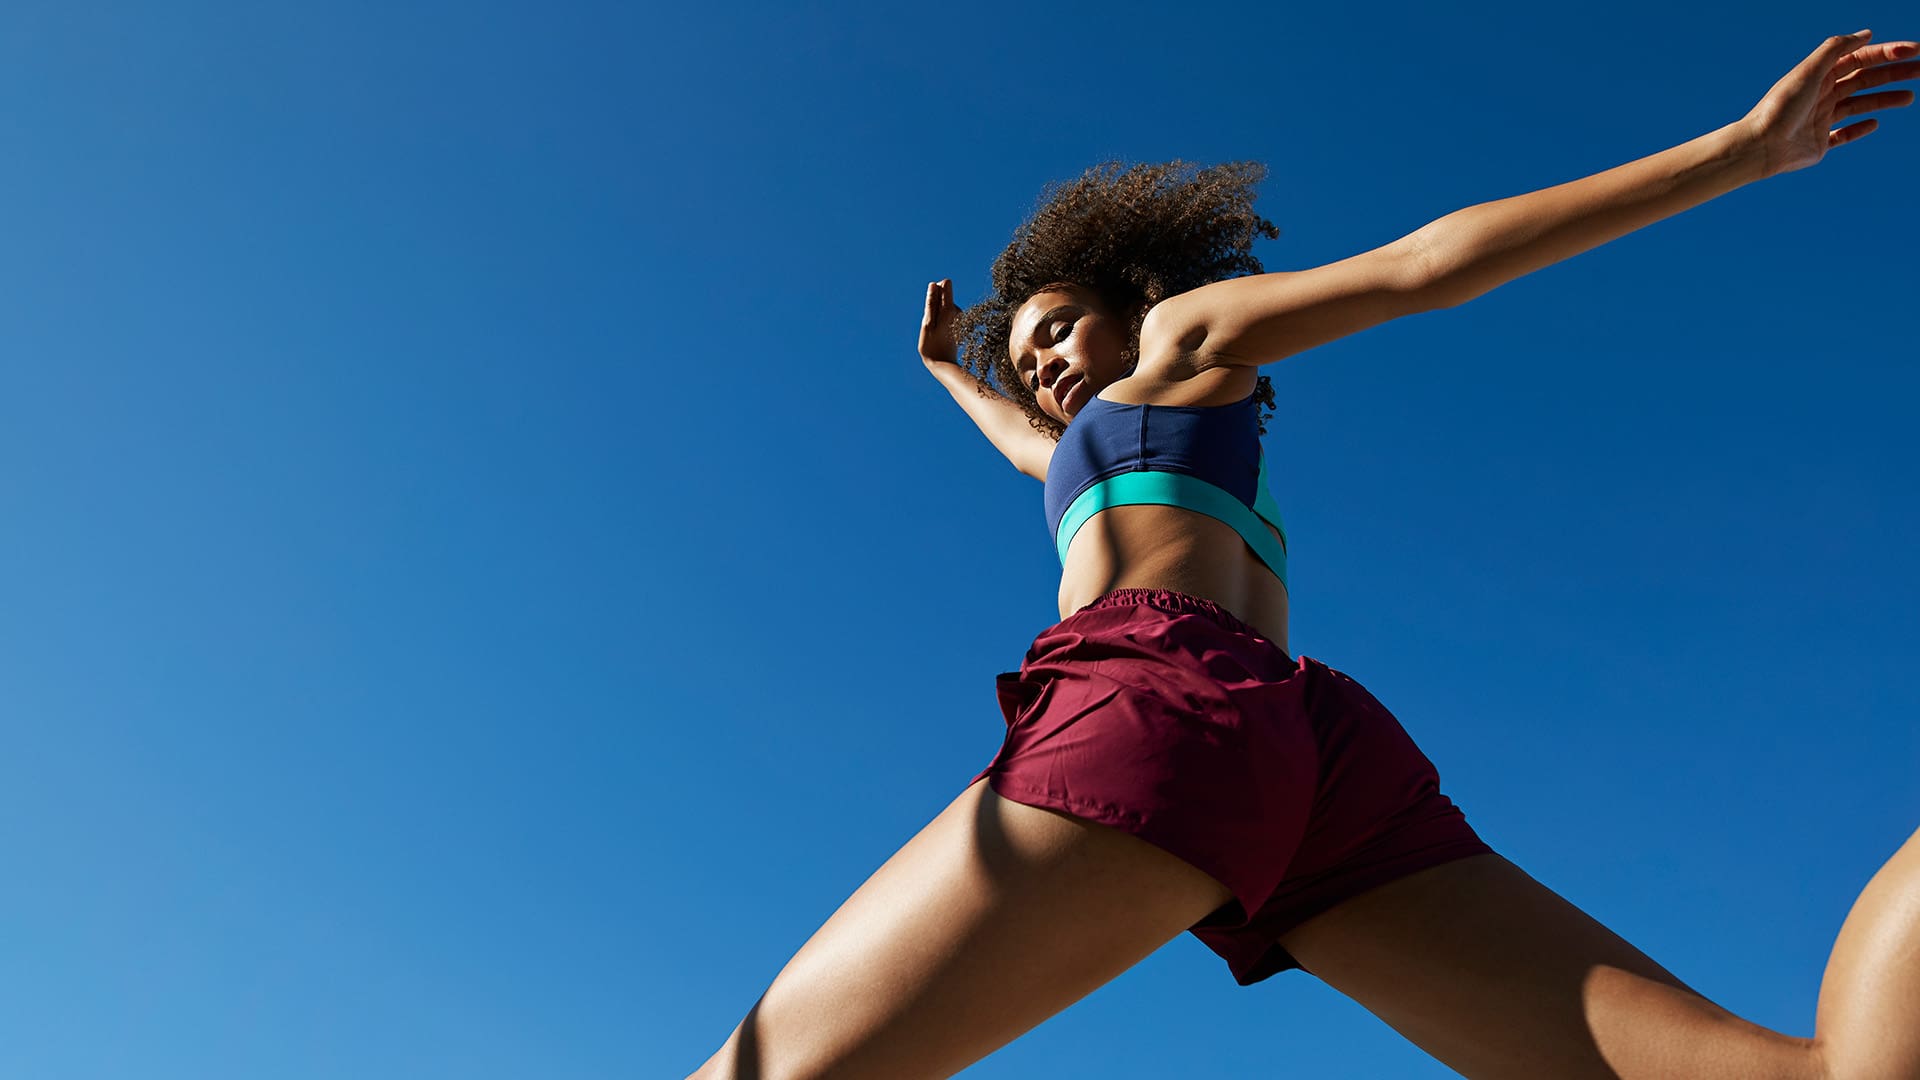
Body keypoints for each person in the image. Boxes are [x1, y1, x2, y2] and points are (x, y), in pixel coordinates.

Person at [690, 30, 1920, 1079]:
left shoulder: (1182, 342)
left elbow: (1420, 268)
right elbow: (1023, 444)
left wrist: (1742, 149)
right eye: (1027, 362)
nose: (1045, 364)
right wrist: (949, 372)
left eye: (1058, 328)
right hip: (1313, 763)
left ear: (1132, 301)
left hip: (1157, 700)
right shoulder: (1096, 455)